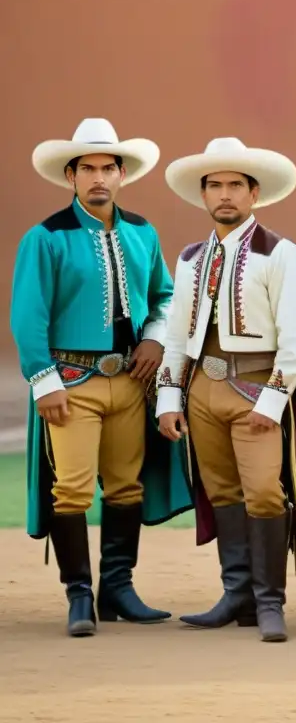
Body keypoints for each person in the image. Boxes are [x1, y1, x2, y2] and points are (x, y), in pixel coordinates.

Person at [13, 117, 192, 637]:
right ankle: (78, 595)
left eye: (107, 168)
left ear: (122, 175)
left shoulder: (142, 231)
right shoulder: (45, 238)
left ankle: (117, 586)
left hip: (131, 380)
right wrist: (43, 381)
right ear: (70, 176)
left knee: (125, 485)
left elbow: (164, 295)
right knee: (70, 488)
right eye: (86, 168)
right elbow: (28, 316)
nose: (97, 178)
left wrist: (157, 338)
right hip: (71, 380)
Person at [156, 137, 296, 642]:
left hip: (256, 387)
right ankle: (238, 595)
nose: (224, 194)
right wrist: (169, 398)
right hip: (202, 388)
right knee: (222, 491)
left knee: (265, 493)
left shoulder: (282, 255)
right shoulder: (188, 258)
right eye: (215, 186)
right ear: (203, 195)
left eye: (234, 185)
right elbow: (178, 334)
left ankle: (271, 601)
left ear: (254, 194)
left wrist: (273, 402)